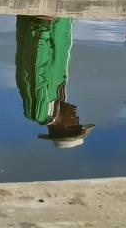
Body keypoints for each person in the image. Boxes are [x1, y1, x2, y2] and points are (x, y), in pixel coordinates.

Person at [14, 15, 93, 148]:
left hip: (45, 23)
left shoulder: (41, 112)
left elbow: (36, 70)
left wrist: (42, 28)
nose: (76, 112)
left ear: (67, 127)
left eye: (76, 119)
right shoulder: (58, 100)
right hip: (55, 23)